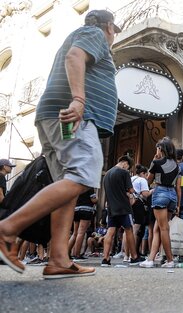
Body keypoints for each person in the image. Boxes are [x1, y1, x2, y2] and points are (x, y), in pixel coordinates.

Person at [0, 10, 121, 279]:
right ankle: (6, 230)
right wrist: (79, 100)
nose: (114, 36)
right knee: (81, 175)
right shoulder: (93, 34)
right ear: (109, 27)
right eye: (116, 30)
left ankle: (58, 259)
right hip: (76, 116)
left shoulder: (77, 35)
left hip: (58, 116)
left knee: (66, 186)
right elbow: (75, 57)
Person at [140, 137, 180, 268]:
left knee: (163, 229)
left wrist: (154, 160)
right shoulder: (176, 164)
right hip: (172, 195)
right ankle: (151, 259)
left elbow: (148, 181)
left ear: (160, 149)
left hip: (160, 192)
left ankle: (170, 260)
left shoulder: (156, 162)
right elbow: (178, 186)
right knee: (158, 228)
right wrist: (178, 204)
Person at [101, 156, 145, 267]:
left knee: (110, 231)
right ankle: (134, 257)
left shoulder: (107, 174)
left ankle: (105, 259)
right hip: (124, 207)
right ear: (125, 163)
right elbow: (130, 189)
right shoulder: (123, 172)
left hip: (111, 207)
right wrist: (133, 193)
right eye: (128, 167)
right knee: (129, 230)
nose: (128, 170)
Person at [69, 189, 98, 261]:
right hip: (86, 210)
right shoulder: (88, 186)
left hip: (76, 209)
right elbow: (93, 200)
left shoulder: (76, 184)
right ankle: (77, 255)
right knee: (81, 233)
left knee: (75, 233)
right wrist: (96, 199)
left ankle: (66, 253)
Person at [130, 164, 151, 259]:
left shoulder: (131, 178)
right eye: (146, 175)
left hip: (130, 203)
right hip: (138, 205)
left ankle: (128, 254)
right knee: (136, 229)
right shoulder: (142, 180)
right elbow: (145, 194)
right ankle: (133, 254)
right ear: (143, 173)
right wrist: (153, 190)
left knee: (130, 229)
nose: (147, 177)